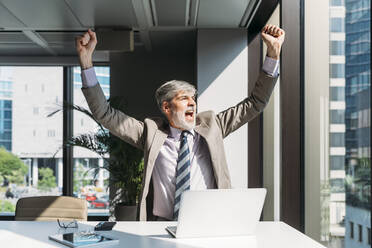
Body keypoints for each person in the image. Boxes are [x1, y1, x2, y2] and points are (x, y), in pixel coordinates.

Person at [75, 25, 285, 221]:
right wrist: (86, 63)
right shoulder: (150, 133)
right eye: (184, 98)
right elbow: (104, 113)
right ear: (167, 108)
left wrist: (273, 55)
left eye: (193, 98)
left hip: (210, 220)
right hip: (162, 224)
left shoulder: (214, 126)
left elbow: (256, 103)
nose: (192, 103)